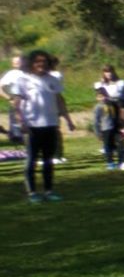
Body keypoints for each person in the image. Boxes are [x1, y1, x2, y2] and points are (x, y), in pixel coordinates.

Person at [2, 50, 75, 201]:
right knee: (32, 160)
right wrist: (21, 122)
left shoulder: (53, 79)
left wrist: (68, 119)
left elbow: (59, 100)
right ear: (31, 64)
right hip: (32, 125)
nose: (41, 64)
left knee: (48, 160)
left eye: (44, 62)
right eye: (38, 62)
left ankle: (49, 191)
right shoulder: (22, 80)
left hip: (51, 124)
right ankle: (32, 193)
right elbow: (17, 104)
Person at [92, 88, 122, 169]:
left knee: (119, 144)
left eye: (104, 96)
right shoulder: (98, 107)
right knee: (108, 146)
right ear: (97, 98)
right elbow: (96, 121)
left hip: (115, 128)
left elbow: (118, 115)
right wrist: (98, 133)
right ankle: (110, 162)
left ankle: (121, 161)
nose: (103, 98)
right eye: (100, 97)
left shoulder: (112, 104)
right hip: (106, 129)